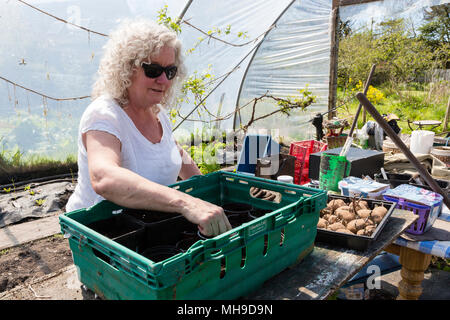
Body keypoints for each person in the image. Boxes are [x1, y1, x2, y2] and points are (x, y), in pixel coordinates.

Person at [66, 19, 232, 237]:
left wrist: (206, 197)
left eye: (170, 71)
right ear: (127, 69)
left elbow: (176, 153)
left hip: (148, 226)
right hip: (102, 232)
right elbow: (104, 177)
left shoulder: (158, 113)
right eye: (153, 70)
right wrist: (185, 203)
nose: (163, 80)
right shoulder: (104, 115)